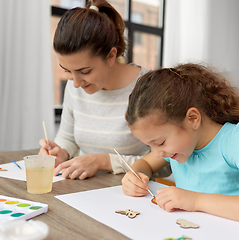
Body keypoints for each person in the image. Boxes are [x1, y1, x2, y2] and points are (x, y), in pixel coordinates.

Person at [121, 63, 239, 228]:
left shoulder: (235, 141)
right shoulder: (180, 146)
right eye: (151, 146)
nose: (158, 153)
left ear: (192, 119)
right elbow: (146, 164)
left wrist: (196, 201)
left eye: (160, 143)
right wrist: (136, 175)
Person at [39, 0, 171, 180]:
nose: (76, 83)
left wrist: (105, 162)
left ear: (111, 56)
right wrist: (60, 152)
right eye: (67, 71)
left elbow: (167, 161)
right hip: (80, 190)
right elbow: (67, 138)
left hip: (133, 194)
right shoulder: (75, 86)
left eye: (84, 71)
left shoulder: (151, 88)